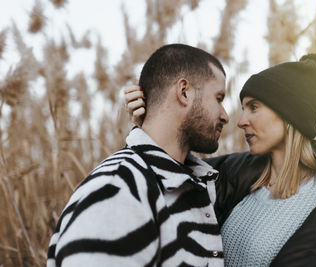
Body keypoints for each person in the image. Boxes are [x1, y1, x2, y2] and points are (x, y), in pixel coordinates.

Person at [126, 53, 316, 266]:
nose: (242, 121)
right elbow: (162, 181)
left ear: (289, 113)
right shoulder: (231, 180)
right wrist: (151, 126)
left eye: (254, 107)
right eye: (243, 108)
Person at [47, 44, 230, 267]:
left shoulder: (187, 180)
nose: (225, 115)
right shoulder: (117, 190)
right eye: (219, 98)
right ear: (184, 92)